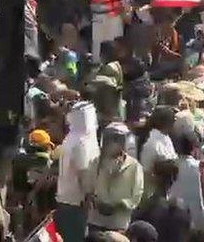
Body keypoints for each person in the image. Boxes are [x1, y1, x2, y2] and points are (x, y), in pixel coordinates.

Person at [55, 101, 100, 242]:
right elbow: (83, 173)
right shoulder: (82, 142)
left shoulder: (71, 138)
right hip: (76, 202)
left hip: (66, 199)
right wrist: (88, 197)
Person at [88, 122, 144, 232]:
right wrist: (96, 202)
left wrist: (119, 205)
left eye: (118, 139)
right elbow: (88, 187)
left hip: (119, 223)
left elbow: (137, 194)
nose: (114, 143)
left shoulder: (134, 166)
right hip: (96, 221)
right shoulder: (96, 162)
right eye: (111, 138)